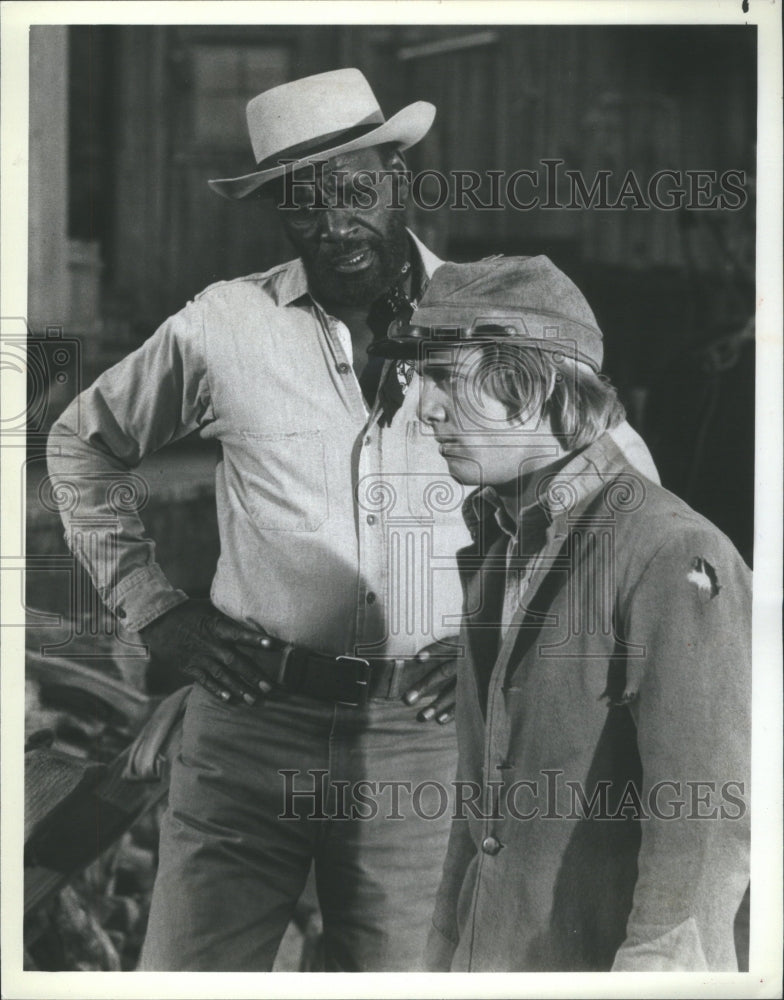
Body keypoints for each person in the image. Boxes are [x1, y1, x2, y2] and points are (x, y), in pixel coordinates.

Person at [46, 68, 476, 972]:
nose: (333, 226)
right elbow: (79, 446)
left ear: (402, 179)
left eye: (356, 192)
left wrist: (503, 633)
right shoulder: (224, 325)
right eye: (302, 205)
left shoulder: (490, 319)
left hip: (420, 740)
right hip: (246, 727)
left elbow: (599, 484)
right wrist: (154, 608)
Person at [371, 255, 751, 971]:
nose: (424, 409)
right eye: (421, 380)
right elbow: (480, 812)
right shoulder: (502, 544)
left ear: (534, 385)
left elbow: (701, 831)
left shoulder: (673, 553)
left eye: (447, 377)